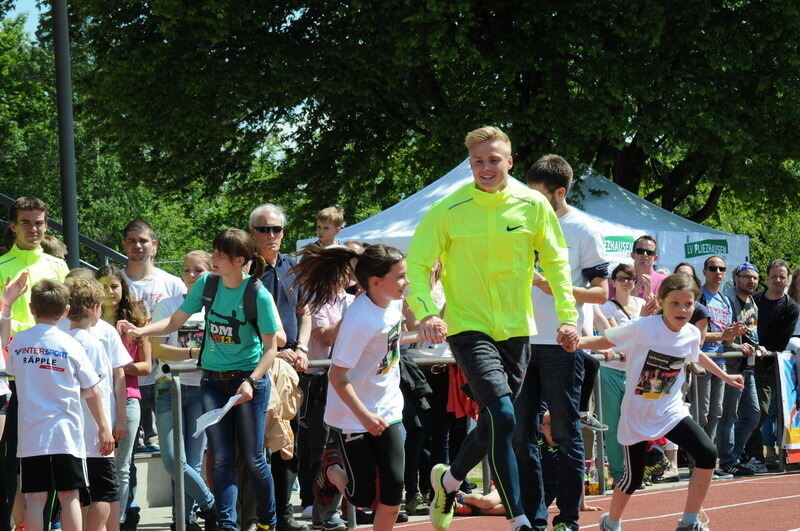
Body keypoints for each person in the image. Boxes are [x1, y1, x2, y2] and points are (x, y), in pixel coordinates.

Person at [406, 126, 579, 531]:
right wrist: (429, 312)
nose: (485, 168)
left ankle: (448, 481)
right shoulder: (448, 209)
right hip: (468, 328)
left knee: (497, 421)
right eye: (478, 161)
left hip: (518, 330)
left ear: (510, 161)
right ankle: (519, 518)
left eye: (493, 160)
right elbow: (416, 264)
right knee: (504, 414)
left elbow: (556, 263)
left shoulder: (533, 205)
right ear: (470, 164)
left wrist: (568, 316)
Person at [118, 228, 283, 531]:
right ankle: (227, 525)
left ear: (239, 260)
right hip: (213, 382)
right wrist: (141, 332)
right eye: (215, 251)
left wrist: (252, 380)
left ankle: (268, 522)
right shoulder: (208, 284)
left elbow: (272, 347)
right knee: (221, 459)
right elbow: (175, 320)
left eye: (221, 254)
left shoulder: (257, 293)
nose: (214, 258)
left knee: (253, 458)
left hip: (248, 383)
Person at [578, 274, 745, 531]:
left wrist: (724, 375)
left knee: (707, 453)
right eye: (675, 303)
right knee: (632, 480)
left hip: (670, 410)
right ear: (662, 302)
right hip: (637, 414)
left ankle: (689, 522)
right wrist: (576, 343)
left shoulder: (690, 332)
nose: (682, 310)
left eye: (688, 304)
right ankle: (610, 523)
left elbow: (696, 354)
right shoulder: (644, 327)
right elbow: (607, 339)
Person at [291, 244, 420, 531]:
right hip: (353, 415)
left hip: (387, 407)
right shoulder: (358, 320)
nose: (406, 282)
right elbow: (337, 376)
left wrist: (425, 330)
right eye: (400, 276)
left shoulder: (393, 304)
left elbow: (389, 344)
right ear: (376, 282)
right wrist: (363, 416)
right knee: (361, 495)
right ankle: (330, 469)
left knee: (393, 485)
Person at [520, 154, 609, 531]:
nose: (532, 203)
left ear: (560, 192)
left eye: (539, 196)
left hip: (563, 343)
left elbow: (602, 293)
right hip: (519, 341)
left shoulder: (584, 229)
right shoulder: (519, 227)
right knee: (521, 434)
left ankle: (568, 518)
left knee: (565, 430)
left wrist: (553, 286)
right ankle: (533, 518)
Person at [6, 279, 115, 531]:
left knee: (35, 498)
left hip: (32, 435)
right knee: (70, 496)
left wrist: (8, 307)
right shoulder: (71, 344)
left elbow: (11, 370)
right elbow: (92, 389)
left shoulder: (19, 342)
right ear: (66, 310)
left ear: (32, 308)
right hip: (66, 434)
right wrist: (103, 427)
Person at [0, 197, 70, 531]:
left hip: (51, 373)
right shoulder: (1, 267)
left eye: (39, 222)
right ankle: (20, 522)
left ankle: (50, 521)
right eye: (26, 222)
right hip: (13, 373)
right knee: (11, 456)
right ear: (13, 226)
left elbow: (68, 321)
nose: (34, 228)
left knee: (54, 452)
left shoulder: (58, 267)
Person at [249, 203, 311, 531]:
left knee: (288, 441)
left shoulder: (294, 267)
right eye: (263, 229)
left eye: (276, 229)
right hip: (257, 367)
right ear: (252, 233)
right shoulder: (245, 270)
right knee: (256, 446)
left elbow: (305, 311)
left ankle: (283, 514)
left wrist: (301, 347)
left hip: (292, 368)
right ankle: (260, 516)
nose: (271, 235)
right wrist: (274, 352)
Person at [148, 251, 216, 531]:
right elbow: (157, 348)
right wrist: (192, 352)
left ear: (211, 272)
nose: (190, 275)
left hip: (203, 389)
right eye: (186, 270)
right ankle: (211, 505)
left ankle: (184, 521)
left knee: (194, 461)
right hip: (169, 388)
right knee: (174, 461)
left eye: (197, 270)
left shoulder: (217, 307)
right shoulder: (168, 306)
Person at [120, 219, 186, 454]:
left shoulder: (173, 283)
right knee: (129, 452)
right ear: (124, 245)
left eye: (143, 240)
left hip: (165, 375)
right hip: (128, 377)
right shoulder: (115, 283)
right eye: (131, 241)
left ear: (154, 245)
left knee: (171, 448)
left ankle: (177, 491)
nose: (137, 245)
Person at [98, 264, 153, 531]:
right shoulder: (88, 320)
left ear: (123, 288)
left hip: (129, 398)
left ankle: (117, 521)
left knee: (121, 465)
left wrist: (118, 363)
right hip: (95, 400)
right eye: (104, 286)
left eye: (114, 286)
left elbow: (146, 366)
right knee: (99, 463)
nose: (109, 292)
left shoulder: (136, 320)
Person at [64, 278, 121, 531]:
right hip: (96, 432)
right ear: (94, 307)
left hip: (73, 432)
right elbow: (95, 389)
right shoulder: (92, 343)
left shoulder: (62, 340)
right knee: (104, 492)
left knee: (80, 495)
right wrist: (105, 427)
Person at [595, 263, 646, 484]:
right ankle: (618, 473)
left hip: (638, 372)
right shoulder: (607, 307)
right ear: (613, 281)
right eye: (622, 278)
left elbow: (647, 334)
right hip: (611, 372)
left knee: (638, 423)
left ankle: (637, 471)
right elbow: (616, 336)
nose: (627, 282)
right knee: (613, 424)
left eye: (631, 278)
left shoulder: (643, 304)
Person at [695, 256, 746, 467]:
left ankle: (708, 460)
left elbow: (727, 339)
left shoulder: (725, 300)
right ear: (704, 272)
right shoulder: (699, 298)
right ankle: (697, 461)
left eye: (721, 268)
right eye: (713, 268)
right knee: (701, 414)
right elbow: (696, 336)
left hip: (721, 361)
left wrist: (735, 337)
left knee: (716, 413)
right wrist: (725, 336)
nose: (717, 272)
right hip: (702, 360)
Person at [713, 263, 762, 476]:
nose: (751, 281)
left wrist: (758, 347)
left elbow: (751, 334)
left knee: (753, 414)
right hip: (730, 365)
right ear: (736, 278)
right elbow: (724, 338)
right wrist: (736, 346)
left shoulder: (752, 302)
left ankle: (736, 453)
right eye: (746, 277)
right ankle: (727, 459)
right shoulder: (727, 301)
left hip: (748, 367)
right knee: (728, 415)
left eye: (754, 278)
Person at [750, 259, 799, 469]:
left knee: (773, 410)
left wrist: (763, 348)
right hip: (752, 363)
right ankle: (763, 452)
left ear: (788, 279)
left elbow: (781, 338)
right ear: (767, 278)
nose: (777, 280)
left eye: (782, 277)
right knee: (758, 411)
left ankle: (776, 450)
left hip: (777, 363)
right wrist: (754, 346)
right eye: (774, 276)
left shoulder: (791, 307)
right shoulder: (754, 300)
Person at [609, 236, 665, 300]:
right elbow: (608, 307)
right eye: (640, 251)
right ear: (632, 255)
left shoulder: (664, 282)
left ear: (655, 258)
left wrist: (650, 296)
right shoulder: (619, 279)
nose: (645, 254)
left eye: (649, 252)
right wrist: (629, 298)